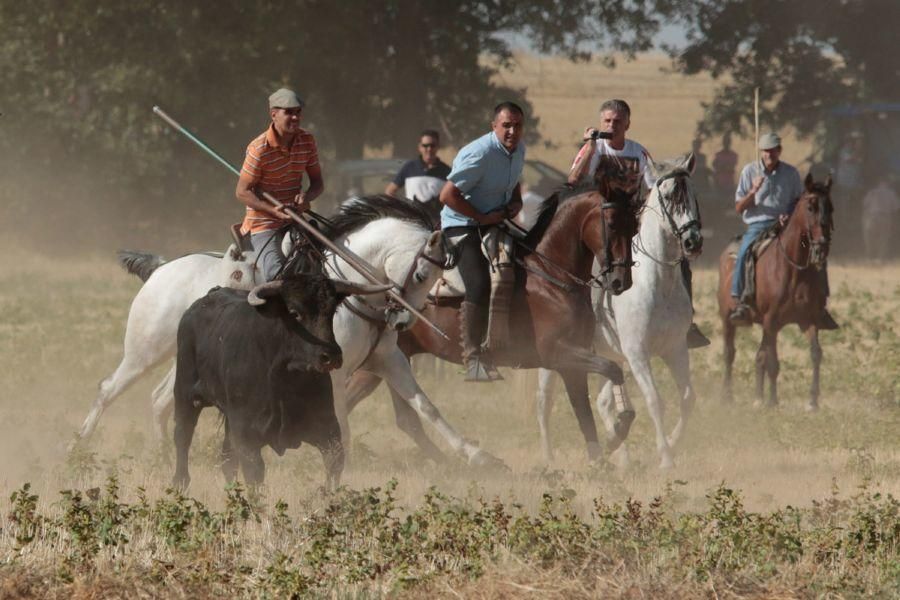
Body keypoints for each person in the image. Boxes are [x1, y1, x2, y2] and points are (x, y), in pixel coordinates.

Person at [569, 99, 710, 348]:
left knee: (679, 262)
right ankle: (585, 323)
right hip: (600, 225)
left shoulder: (639, 152)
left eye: (618, 121)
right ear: (601, 122)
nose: (613, 125)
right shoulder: (595, 150)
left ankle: (686, 323)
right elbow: (573, 180)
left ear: (628, 124)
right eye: (608, 121)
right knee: (589, 267)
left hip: (632, 224)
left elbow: (654, 189)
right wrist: (590, 145)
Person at [440, 102, 525, 381]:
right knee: (479, 284)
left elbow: (514, 182)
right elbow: (447, 195)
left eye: (517, 125)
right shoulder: (479, 153)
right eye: (506, 125)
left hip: (493, 221)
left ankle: (511, 344)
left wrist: (515, 200)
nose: (512, 131)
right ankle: (473, 358)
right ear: (494, 126)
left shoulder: (518, 150)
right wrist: (480, 217)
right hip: (461, 226)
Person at [235, 88, 324, 281]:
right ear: (273, 114)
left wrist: (306, 197)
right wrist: (273, 210)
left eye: (298, 112)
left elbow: (318, 183)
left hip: (295, 219)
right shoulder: (258, 149)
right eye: (289, 112)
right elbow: (242, 192)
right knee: (278, 278)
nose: (295, 117)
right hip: (263, 224)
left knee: (326, 265)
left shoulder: (307, 140)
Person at [730, 133, 810, 323]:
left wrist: (789, 214)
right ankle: (740, 299)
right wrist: (753, 191)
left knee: (811, 250)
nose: (769, 154)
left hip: (786, 225)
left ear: (779, 150)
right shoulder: (750, 171)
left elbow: (798, 201)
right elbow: (739, 207)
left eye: (773, 150)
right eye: (766, 150)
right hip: (758, 224)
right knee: (744, 253)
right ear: (761, 152)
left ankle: (818, 302)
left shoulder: (791, 173)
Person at [385, 129, 451, 203]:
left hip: (435, 214)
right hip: (411, 214)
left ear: (438, 146)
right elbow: (390, 191)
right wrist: (401, 209)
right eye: (425, 145)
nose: (429, 149)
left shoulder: (447, 171)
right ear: (420, 147)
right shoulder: (409, 167)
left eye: (432, 145)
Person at [862, 175, 900, 260]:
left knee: (870, 239)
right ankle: (880, 258)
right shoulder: (891, 193)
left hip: (872, 217)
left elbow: (865, 205)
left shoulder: (872, 192)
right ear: (887, 183)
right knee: (883, 239)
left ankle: (869, 257)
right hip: (884, 217)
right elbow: (897, 207)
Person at [712, 133, 739, 200]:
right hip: (719, 183)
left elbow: (730, 167)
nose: (726, 143)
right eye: (725, 141)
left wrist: (721, 167)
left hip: (729, 183)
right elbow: (715, 166)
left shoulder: (733, 155)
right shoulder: (718, 155)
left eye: (728, 141)